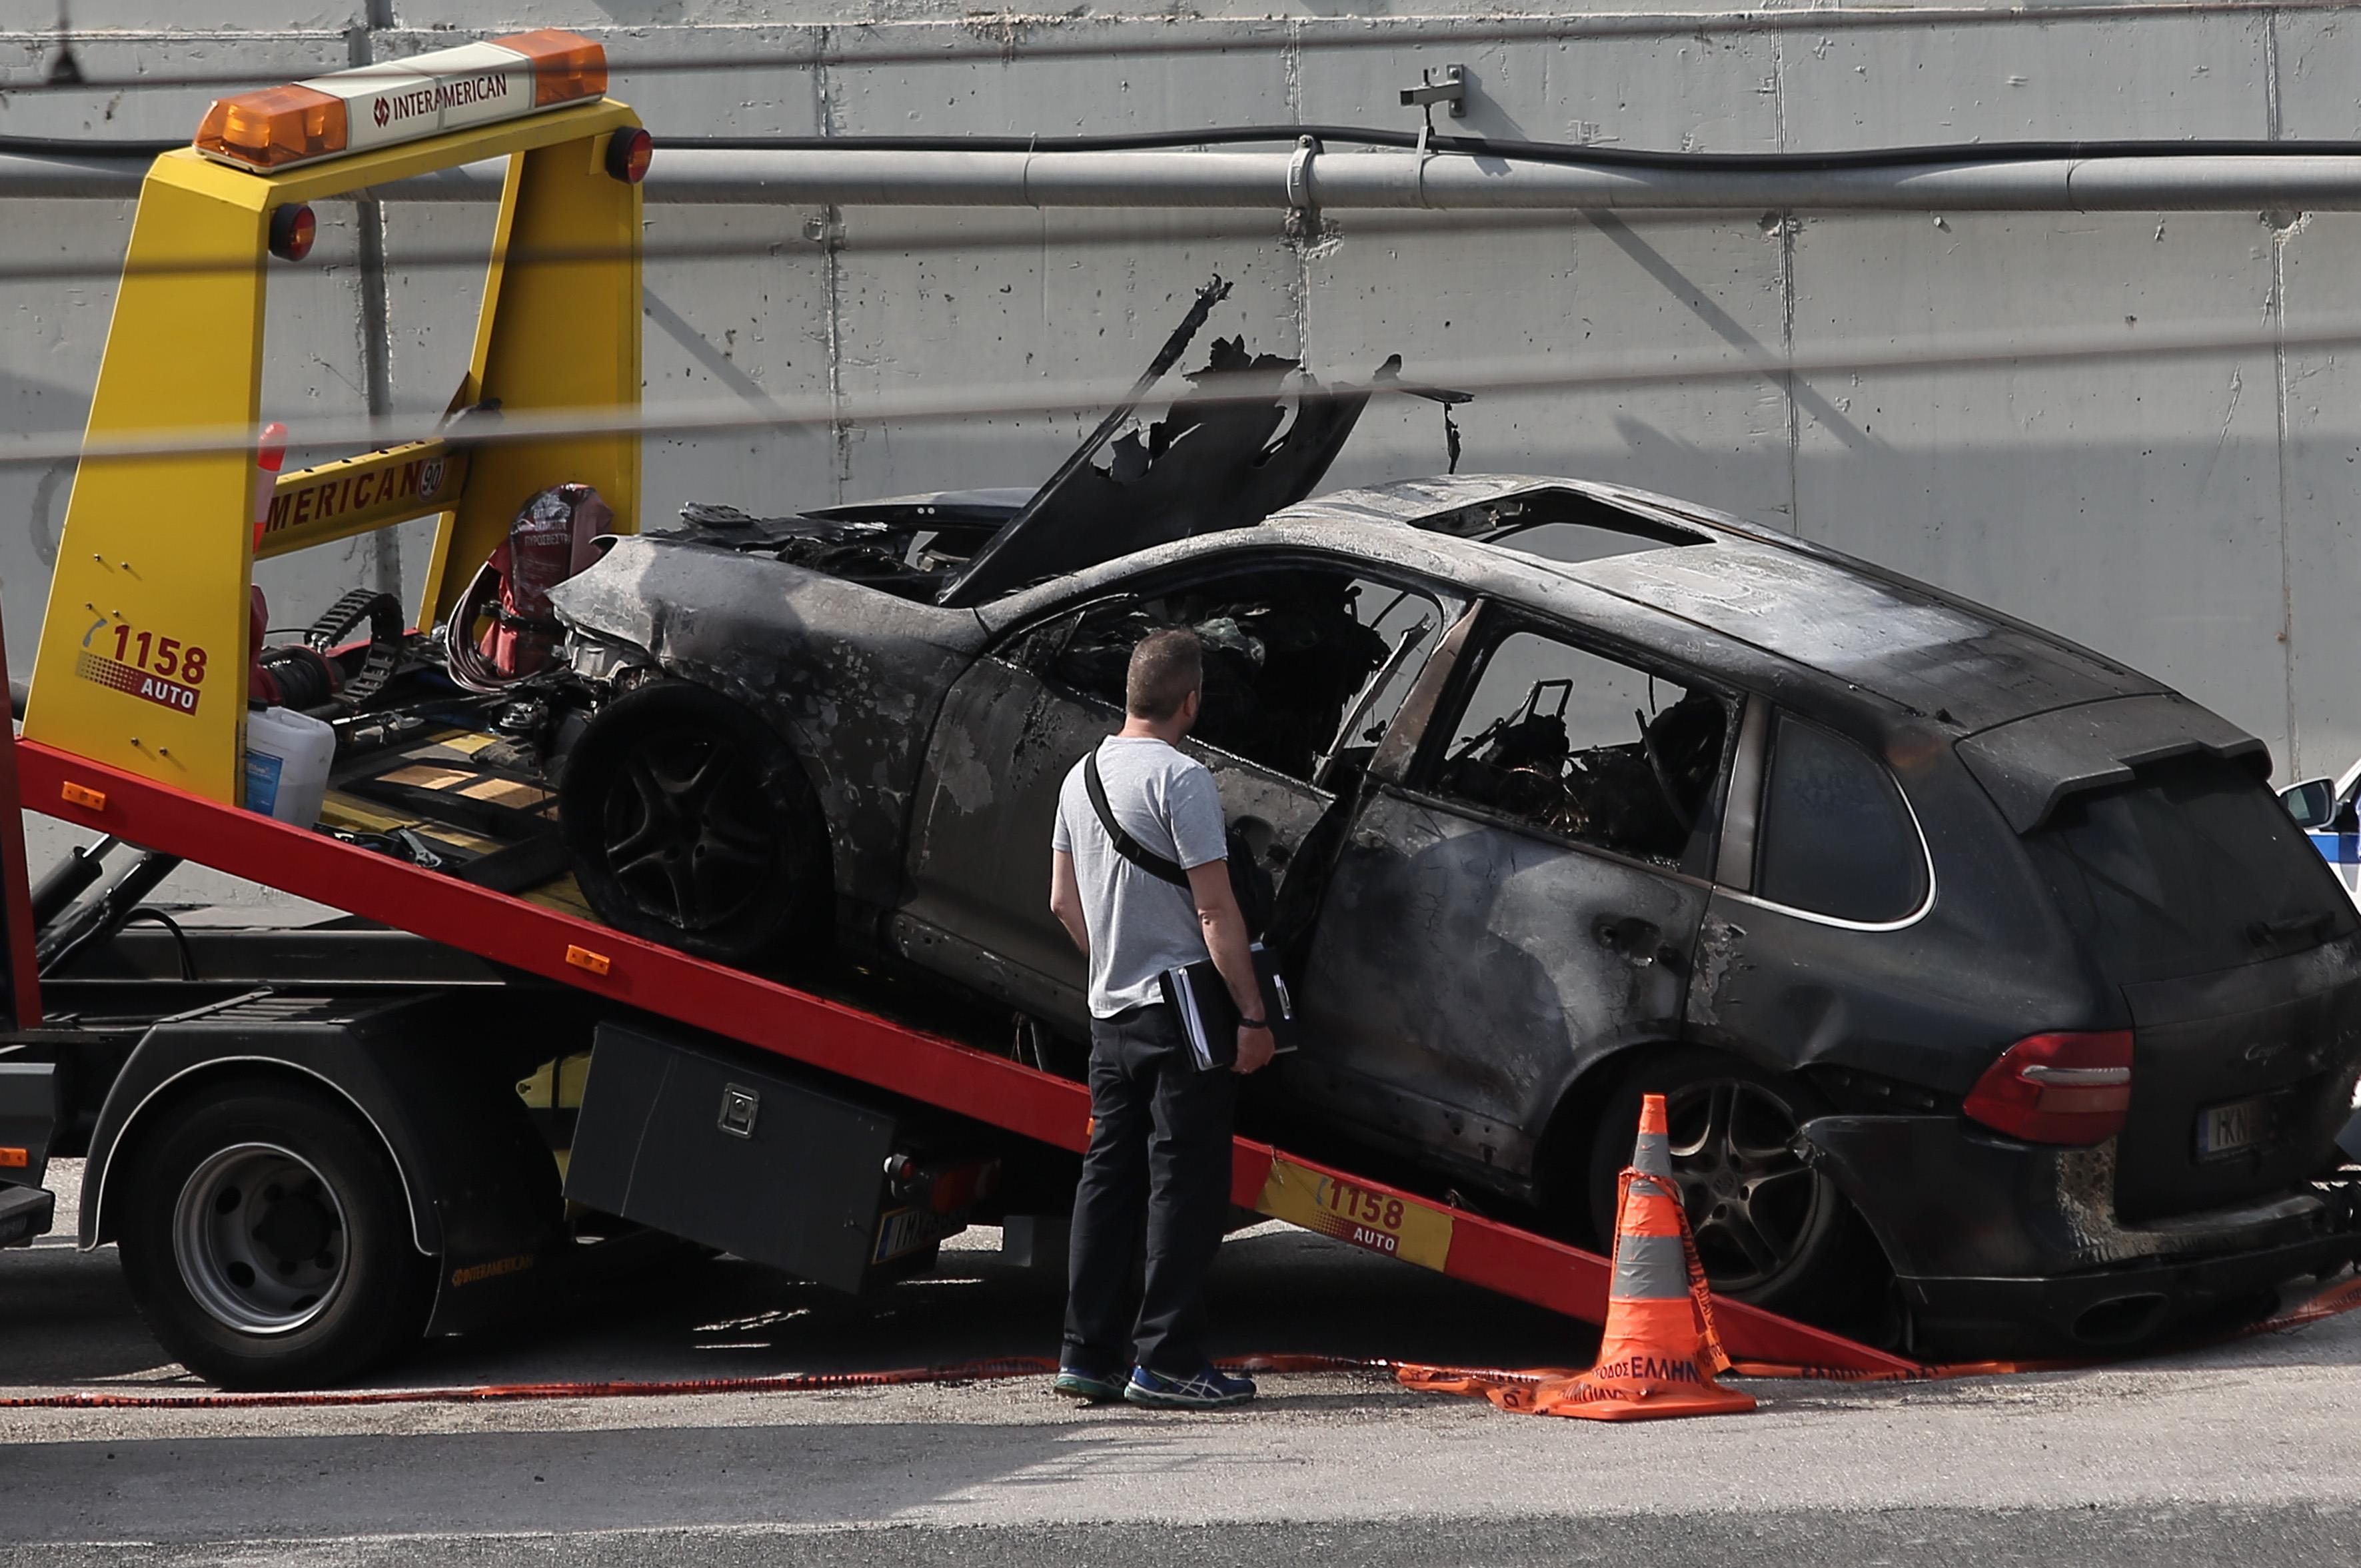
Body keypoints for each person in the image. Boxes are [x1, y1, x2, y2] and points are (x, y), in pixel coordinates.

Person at [1047, 626, 1273, 1410]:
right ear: (1191, 701)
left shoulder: (1081, 777)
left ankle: (1086, 1354)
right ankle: (1169, 1359)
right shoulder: (1183, 779)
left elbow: (1062, 902)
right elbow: (1216, 911)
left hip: (1110, 1017)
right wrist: (1253, 1012)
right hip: (1184, 1020)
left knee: (1106, 1180)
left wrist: (1112, 959)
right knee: (1184, 1183)